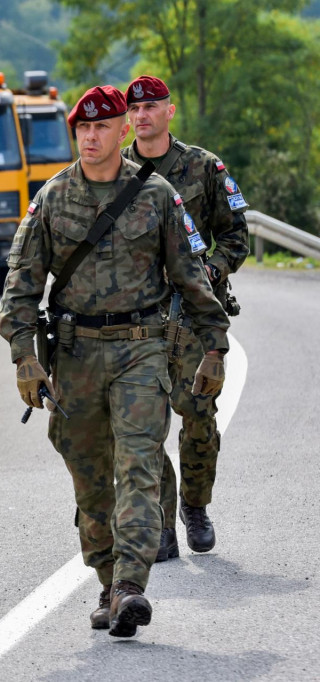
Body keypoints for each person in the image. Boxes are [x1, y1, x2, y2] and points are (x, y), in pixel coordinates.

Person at [0, 86, 229, 637]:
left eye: (102, 128)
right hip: (75, 356)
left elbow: (191, 279)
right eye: (83, 129)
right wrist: (24, 359)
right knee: (91, 478)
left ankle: (130, 585)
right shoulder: (52, 199)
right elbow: (20, 287)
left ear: (124, 130)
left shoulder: (157, 196)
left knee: (139, 467)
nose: (92, 137)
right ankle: (106, 580)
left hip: (141, 351)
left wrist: (215, 346)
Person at [122, 75, 250, 561]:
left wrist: (208, 273)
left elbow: (236, 236)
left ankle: (195, 506)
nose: (143, 115)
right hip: (136, 317)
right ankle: (161, 523)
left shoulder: (203, 167)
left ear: (169, 112)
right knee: (141, 423)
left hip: (193, 317)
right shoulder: (114, 169)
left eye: (152, 107)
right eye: (135, 109)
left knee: (198, 415)